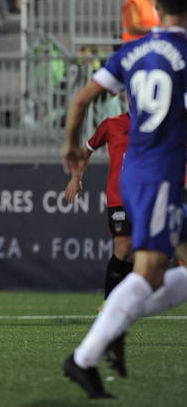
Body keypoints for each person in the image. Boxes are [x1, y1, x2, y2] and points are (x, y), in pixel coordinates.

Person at [61, 0, 187, 398]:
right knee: (148, 270)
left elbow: (81, 99)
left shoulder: (133, 50)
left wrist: (71, 146)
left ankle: (113, 323)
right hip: (162, 173)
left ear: (157, 6)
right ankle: (87, 353)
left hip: (137, 171)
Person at [63, 109, 132, 298]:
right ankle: (108, 305)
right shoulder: (111, 124)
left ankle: (122, 304)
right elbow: (86, 150)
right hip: (119, 197)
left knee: (139, 255)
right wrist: (76, 177)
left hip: (145, 196)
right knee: (123, 247)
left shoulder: (155, 126)